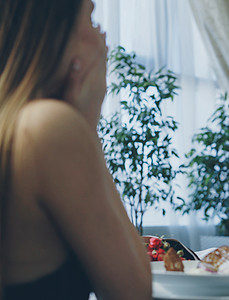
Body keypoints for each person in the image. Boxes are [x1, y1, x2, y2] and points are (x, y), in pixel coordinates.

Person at [0, 0, 151, 299]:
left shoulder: (14, 124)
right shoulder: (48, 126)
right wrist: (87, 122)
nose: (103, 38)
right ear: (55, 31)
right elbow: (134, 292)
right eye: (92, 19)